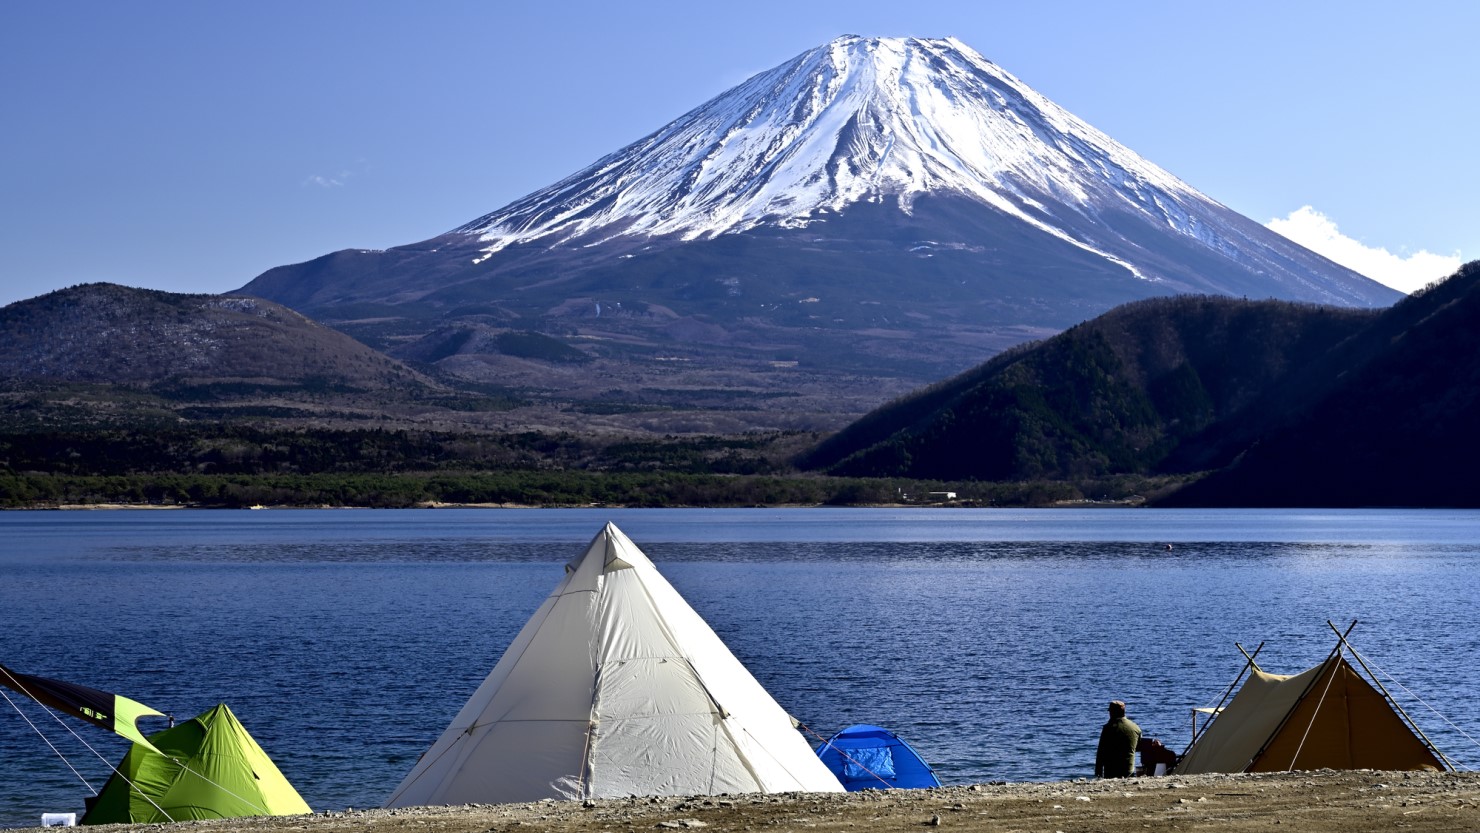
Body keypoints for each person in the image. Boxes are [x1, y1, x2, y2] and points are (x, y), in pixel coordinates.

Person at [1095, 700, 1142, 778]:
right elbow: (1138, 747)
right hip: (1128, 771)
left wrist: (1098, 772)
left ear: (1112, 713)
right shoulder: (1135, 727)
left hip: (1111, 772)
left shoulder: (1108, 728)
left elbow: (1101, 752)